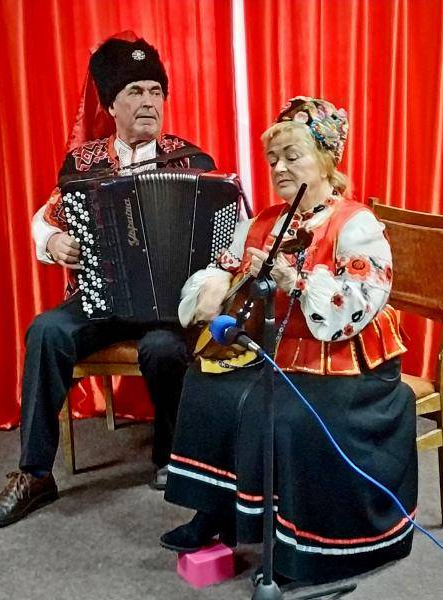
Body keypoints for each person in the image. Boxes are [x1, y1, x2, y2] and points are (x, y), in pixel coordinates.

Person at [160, 96, 417, 585]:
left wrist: (296, 282)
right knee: (206, 387)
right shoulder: (266, 222)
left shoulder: (354, 223)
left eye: (292, 156)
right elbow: (226, 266)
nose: (279, 167)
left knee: (286, 415)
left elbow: (361, 302)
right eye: (273, 159)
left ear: (325, 159)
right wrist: (216, 286)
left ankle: (306, 548)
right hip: (285, 355)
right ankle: (217, 512)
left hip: (352, 366)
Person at [0, 35, 215, 529]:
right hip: (100, 297)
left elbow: (227, 229)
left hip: (166, 305)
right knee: (47, 331)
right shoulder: (83, 163)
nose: (148, 101)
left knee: (164, 349)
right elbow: (46, 218)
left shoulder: (193, 162)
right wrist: (55, 243)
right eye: (135, 91)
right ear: (111, 105)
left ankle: (172, 455)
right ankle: (34, 474)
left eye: (155, 91)